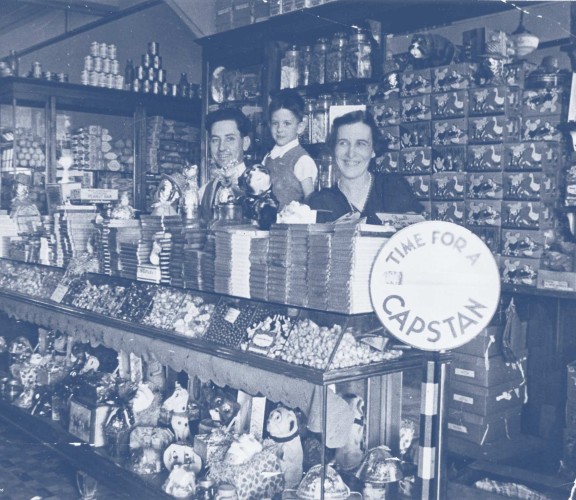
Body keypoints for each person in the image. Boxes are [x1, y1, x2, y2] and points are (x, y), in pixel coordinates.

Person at [307, 110, 423, 224]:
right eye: (343, 143)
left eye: (361, 144)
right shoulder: (319, 202)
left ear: (373, 150)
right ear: (333, 149)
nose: (351, 153)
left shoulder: (393, 187)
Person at [262, 89, 317, 208]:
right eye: (275, 123)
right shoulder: (268, 158)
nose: (280, 129)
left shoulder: (302, 160)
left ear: (300, 127)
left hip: (292, 224)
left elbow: (310, 200)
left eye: (287, 123)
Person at [199, 107, 252, 223]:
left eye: (230, 139)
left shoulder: (257, 185)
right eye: (215, 140)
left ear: (246, 143)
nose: (221, 147)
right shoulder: (204, 192)